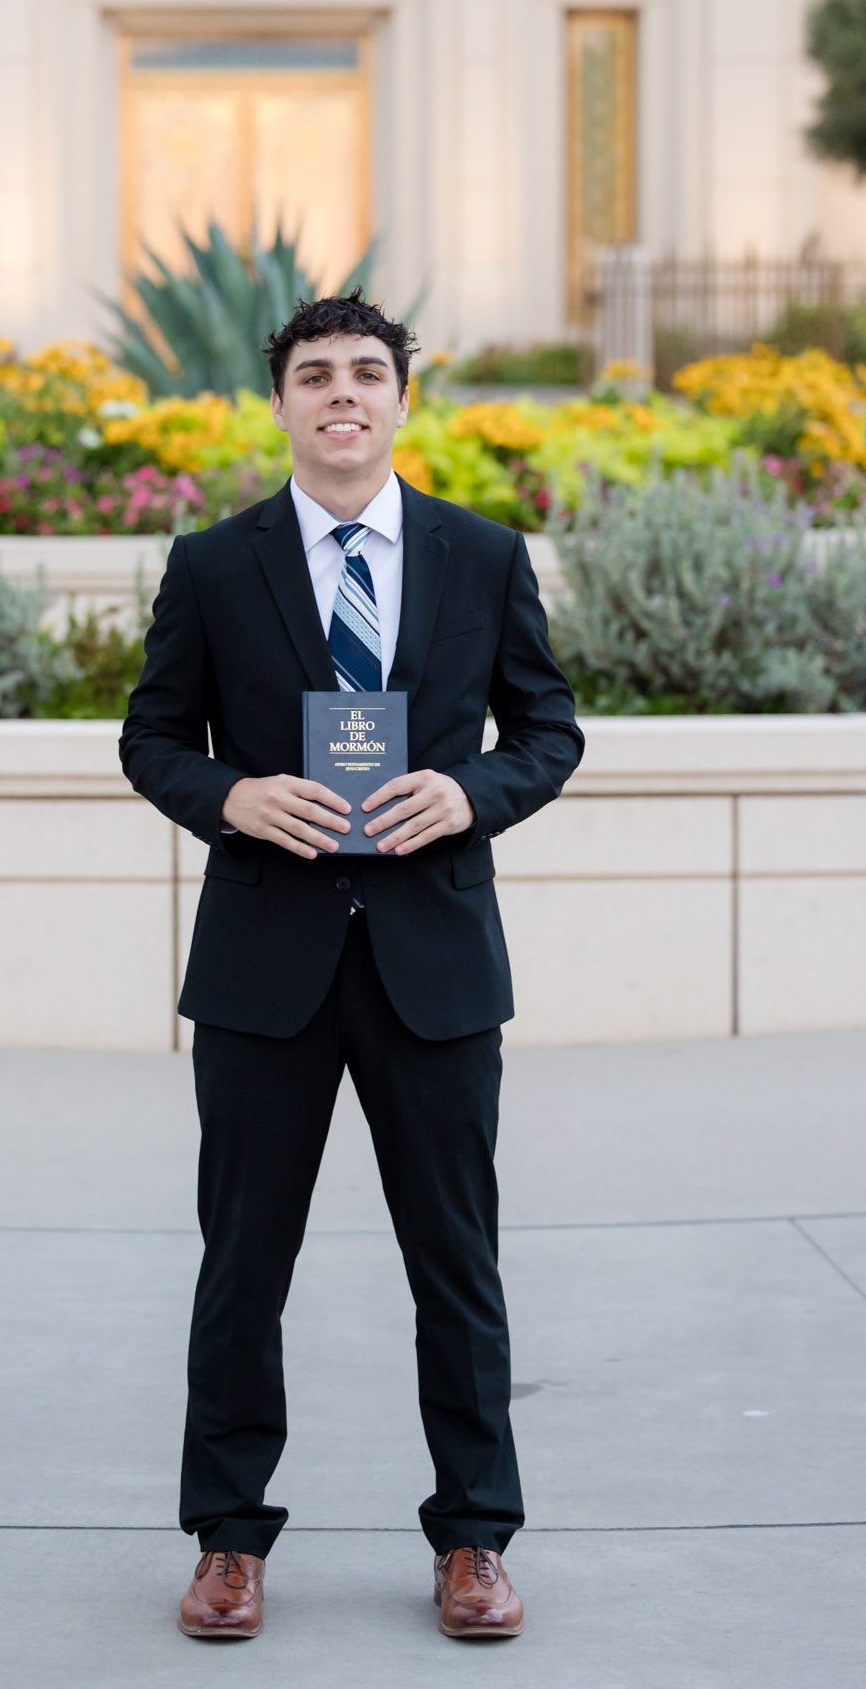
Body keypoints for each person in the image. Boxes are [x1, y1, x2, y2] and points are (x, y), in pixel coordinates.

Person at [118, 288, 585, 1640]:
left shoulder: (479, 555)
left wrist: (472, 794)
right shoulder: (216, 564)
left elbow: (547, 729)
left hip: (433, 965)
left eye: (366, 373)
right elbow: (151, 738)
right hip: (265, 968)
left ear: (400, 400)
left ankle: (475, 1539)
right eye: (315, 373)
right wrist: (230, 795)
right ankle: (227, 1541)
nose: (341, 393)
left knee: (457, 1266)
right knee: (241, 1269)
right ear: (280, 404)